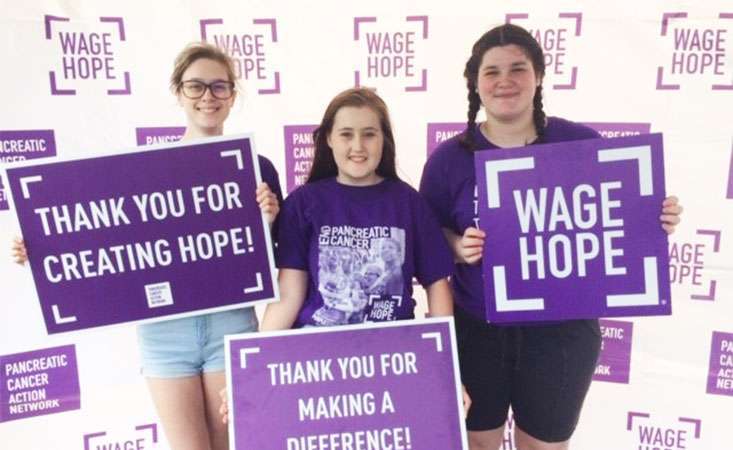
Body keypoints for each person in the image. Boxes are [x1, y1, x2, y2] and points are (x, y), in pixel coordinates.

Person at [419, 24, 683, 450]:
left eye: (518, 68)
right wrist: (456, 247)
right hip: (477, 330)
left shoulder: (579, 143)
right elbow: (427, 240)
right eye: (491, 71)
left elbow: (619, 221)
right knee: (478, 443)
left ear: (539, 76)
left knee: (543, 446)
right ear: (474, 82)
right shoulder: (449, 159)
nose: (505, 80)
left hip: (562, 334)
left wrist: (654, 219)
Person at [12, 42, 282, 450]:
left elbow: (273, 259)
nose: (207, 96)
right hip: (164, 335)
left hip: (231, 325)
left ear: (232, 97)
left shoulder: (258, 168)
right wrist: (41, 248)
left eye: (219, 87)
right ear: (178, 93)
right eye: (195, 86)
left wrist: (269, 219)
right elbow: (100, 238)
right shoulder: (146, 168)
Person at [219, 87, 470, 422]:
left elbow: (438, 287)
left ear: (384, 140)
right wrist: (250, 369)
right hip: (317, 365)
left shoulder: (408, 203)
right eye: (346, 134)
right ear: (328, 141)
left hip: (394, 361)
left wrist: (446, 367)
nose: (358, 146)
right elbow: (289, 295)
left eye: (369, 134)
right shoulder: (303, 203)